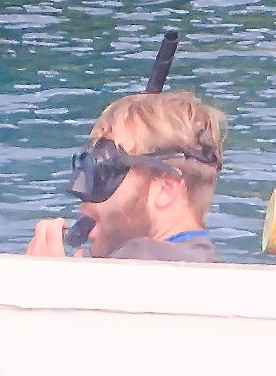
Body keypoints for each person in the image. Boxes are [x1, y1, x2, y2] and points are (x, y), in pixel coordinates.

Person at [27, 90, 225, 261]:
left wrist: (46, 281)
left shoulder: (139, 258)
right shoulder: (213, 266)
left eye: (104, 168)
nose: (84, 200)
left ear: (166, 188)